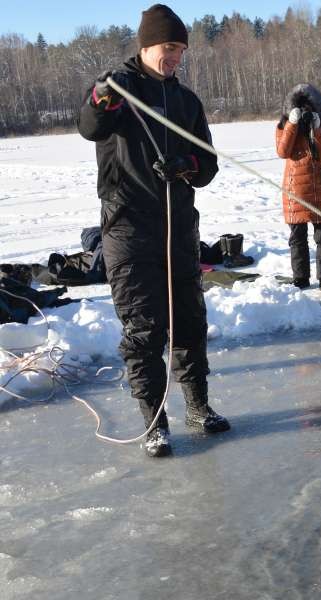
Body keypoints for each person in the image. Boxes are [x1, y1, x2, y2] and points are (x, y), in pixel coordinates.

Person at [78, 4, 229, 457]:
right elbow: (91, 125)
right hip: (128, 227)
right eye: (169, 48)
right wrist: (102, 95)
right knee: (144, 331)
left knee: (189, 323)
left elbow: (210, 166)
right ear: (146, 47)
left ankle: (198, 407)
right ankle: (154, 422)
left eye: (181, 50)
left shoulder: (186, 102)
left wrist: (188, 165)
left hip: (179, 227)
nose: (175, 58)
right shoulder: (122, 91)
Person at [275, 84, 321, 289]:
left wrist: (317, 128)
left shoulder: (320, 128)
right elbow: (283, 151)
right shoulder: (284, 126)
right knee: (297, 238)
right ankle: (301, 278)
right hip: (296, 190)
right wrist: (292, 123)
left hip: (319, 187)